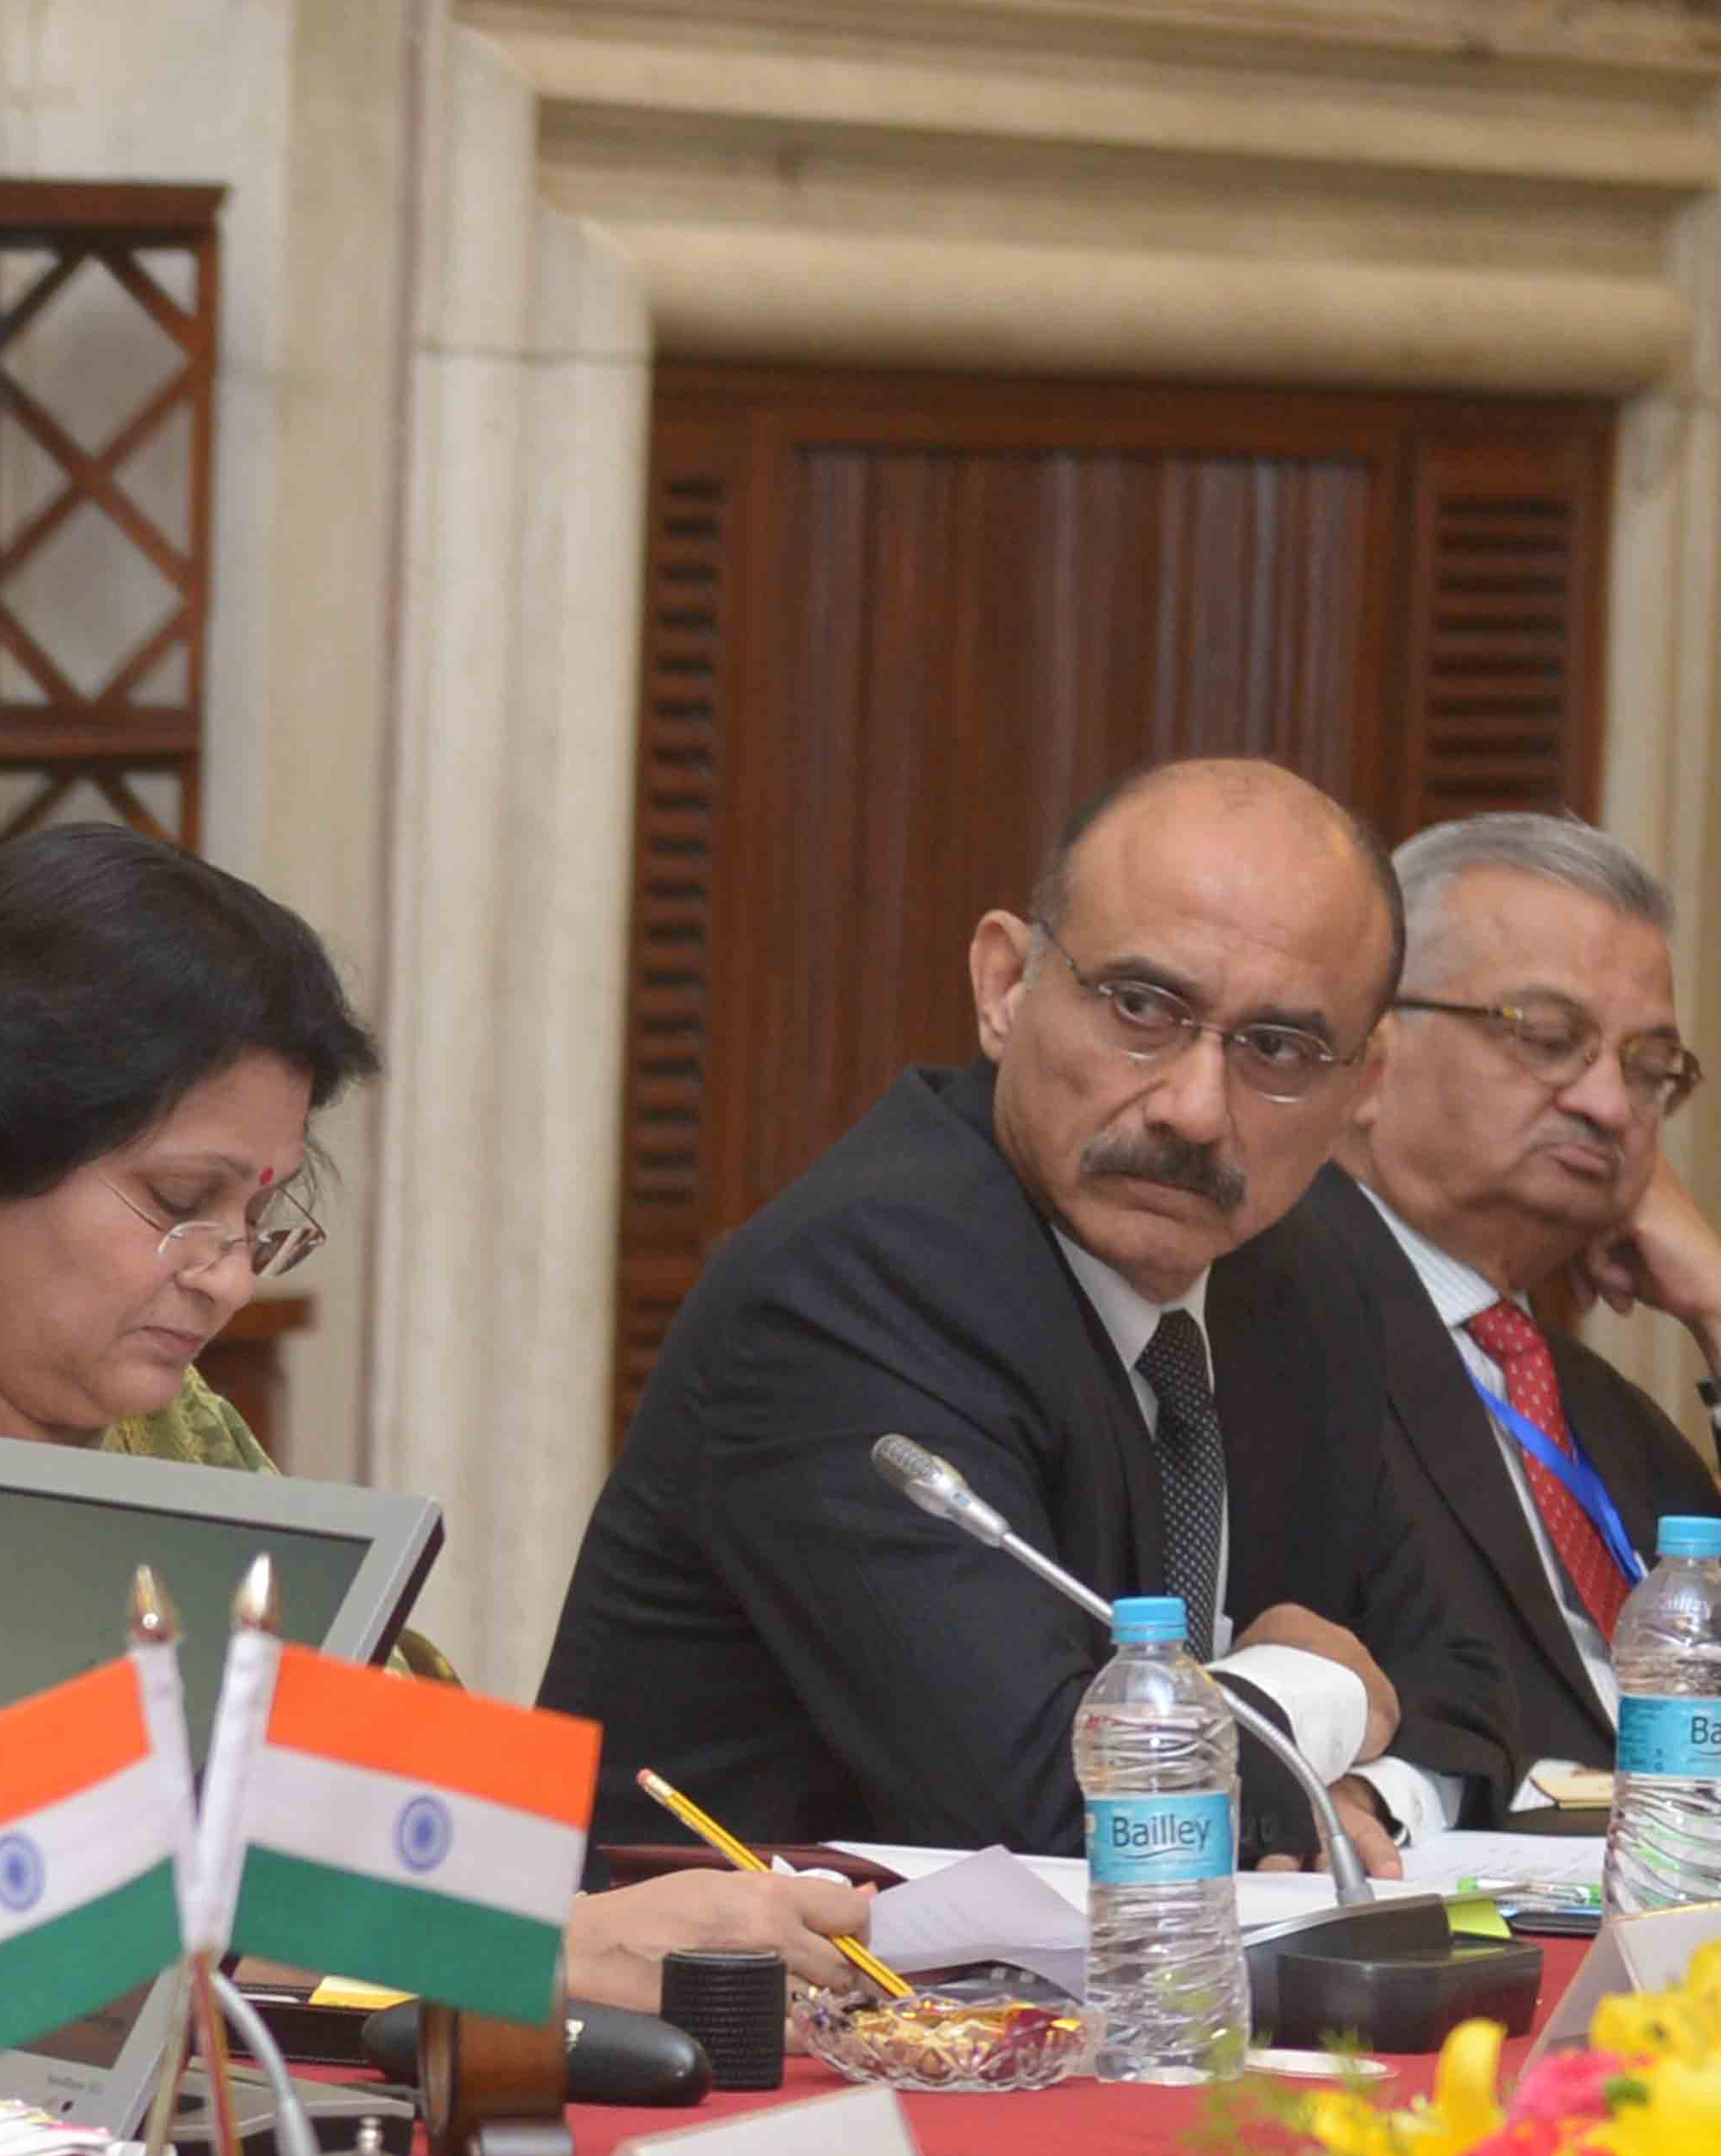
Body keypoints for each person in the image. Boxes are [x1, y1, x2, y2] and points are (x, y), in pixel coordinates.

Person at [0, 824, 880, 2015]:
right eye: (178, 1202)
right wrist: (533, 1941)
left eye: (259, 1215)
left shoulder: (156, 1420)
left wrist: (607, 1905)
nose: (230, 1273)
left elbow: (378, 1772)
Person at [544, 758, 1499, 1860]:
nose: (1194, 1111)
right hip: (757, 2010)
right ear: (1004, 985)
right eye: (1143, 1009)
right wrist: (1314, 1697)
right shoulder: (855, 1288)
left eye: (1277, 1051)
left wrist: (1367, 1808)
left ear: (1365, 1083)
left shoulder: (1300, 1267)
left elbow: (1467, 1684)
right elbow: (1062, 1808)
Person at [1288, 812, 1721, 1785]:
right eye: (1547, 1038)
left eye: (1647, 1069)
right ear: (1370, 1061)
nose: (1606, 1104)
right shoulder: (1274, 1334)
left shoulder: (1598, 1410)